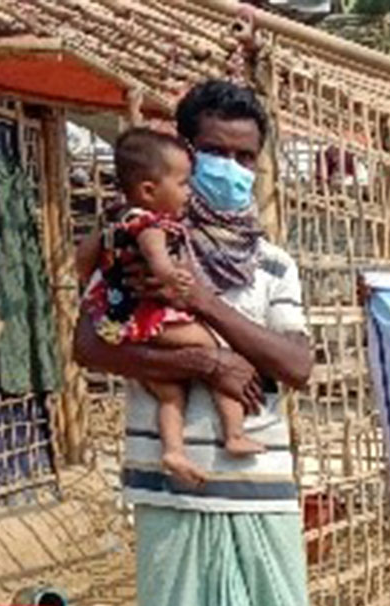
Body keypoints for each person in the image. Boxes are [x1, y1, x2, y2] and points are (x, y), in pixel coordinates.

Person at [74, 79, 352, 606]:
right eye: (217, 154)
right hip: (172, 482)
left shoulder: (271, 260)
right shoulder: (138, 246)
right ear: (183, 154)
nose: (232, 168)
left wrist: (208, 311)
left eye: (246, 156)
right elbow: (91, 347)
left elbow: (296, 363)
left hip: (261, 481)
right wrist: (203, 360)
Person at [81, 128, 263, 481]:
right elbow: (158, 258)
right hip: (154, 317)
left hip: (121, 322)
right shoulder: (152, 223)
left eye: (244, 157)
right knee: (221, 352)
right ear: (149, 190)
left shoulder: (113, 223)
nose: (189, 191)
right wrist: (171, 278)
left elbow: (80, 263)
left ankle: (174, 452)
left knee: (170, 396)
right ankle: (235, 433)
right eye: (182, 184)